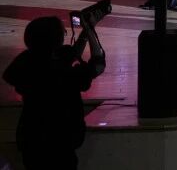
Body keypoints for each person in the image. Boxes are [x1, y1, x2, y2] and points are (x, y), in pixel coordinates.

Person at [4, 9, 107, 170]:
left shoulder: (27, 62)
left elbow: (68, 55)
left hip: (31, 141)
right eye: (63, 33)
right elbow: (98, 64)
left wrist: (85, 34)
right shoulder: (63, 74)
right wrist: (89, 29)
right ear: (55, 40)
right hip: (60, 145)